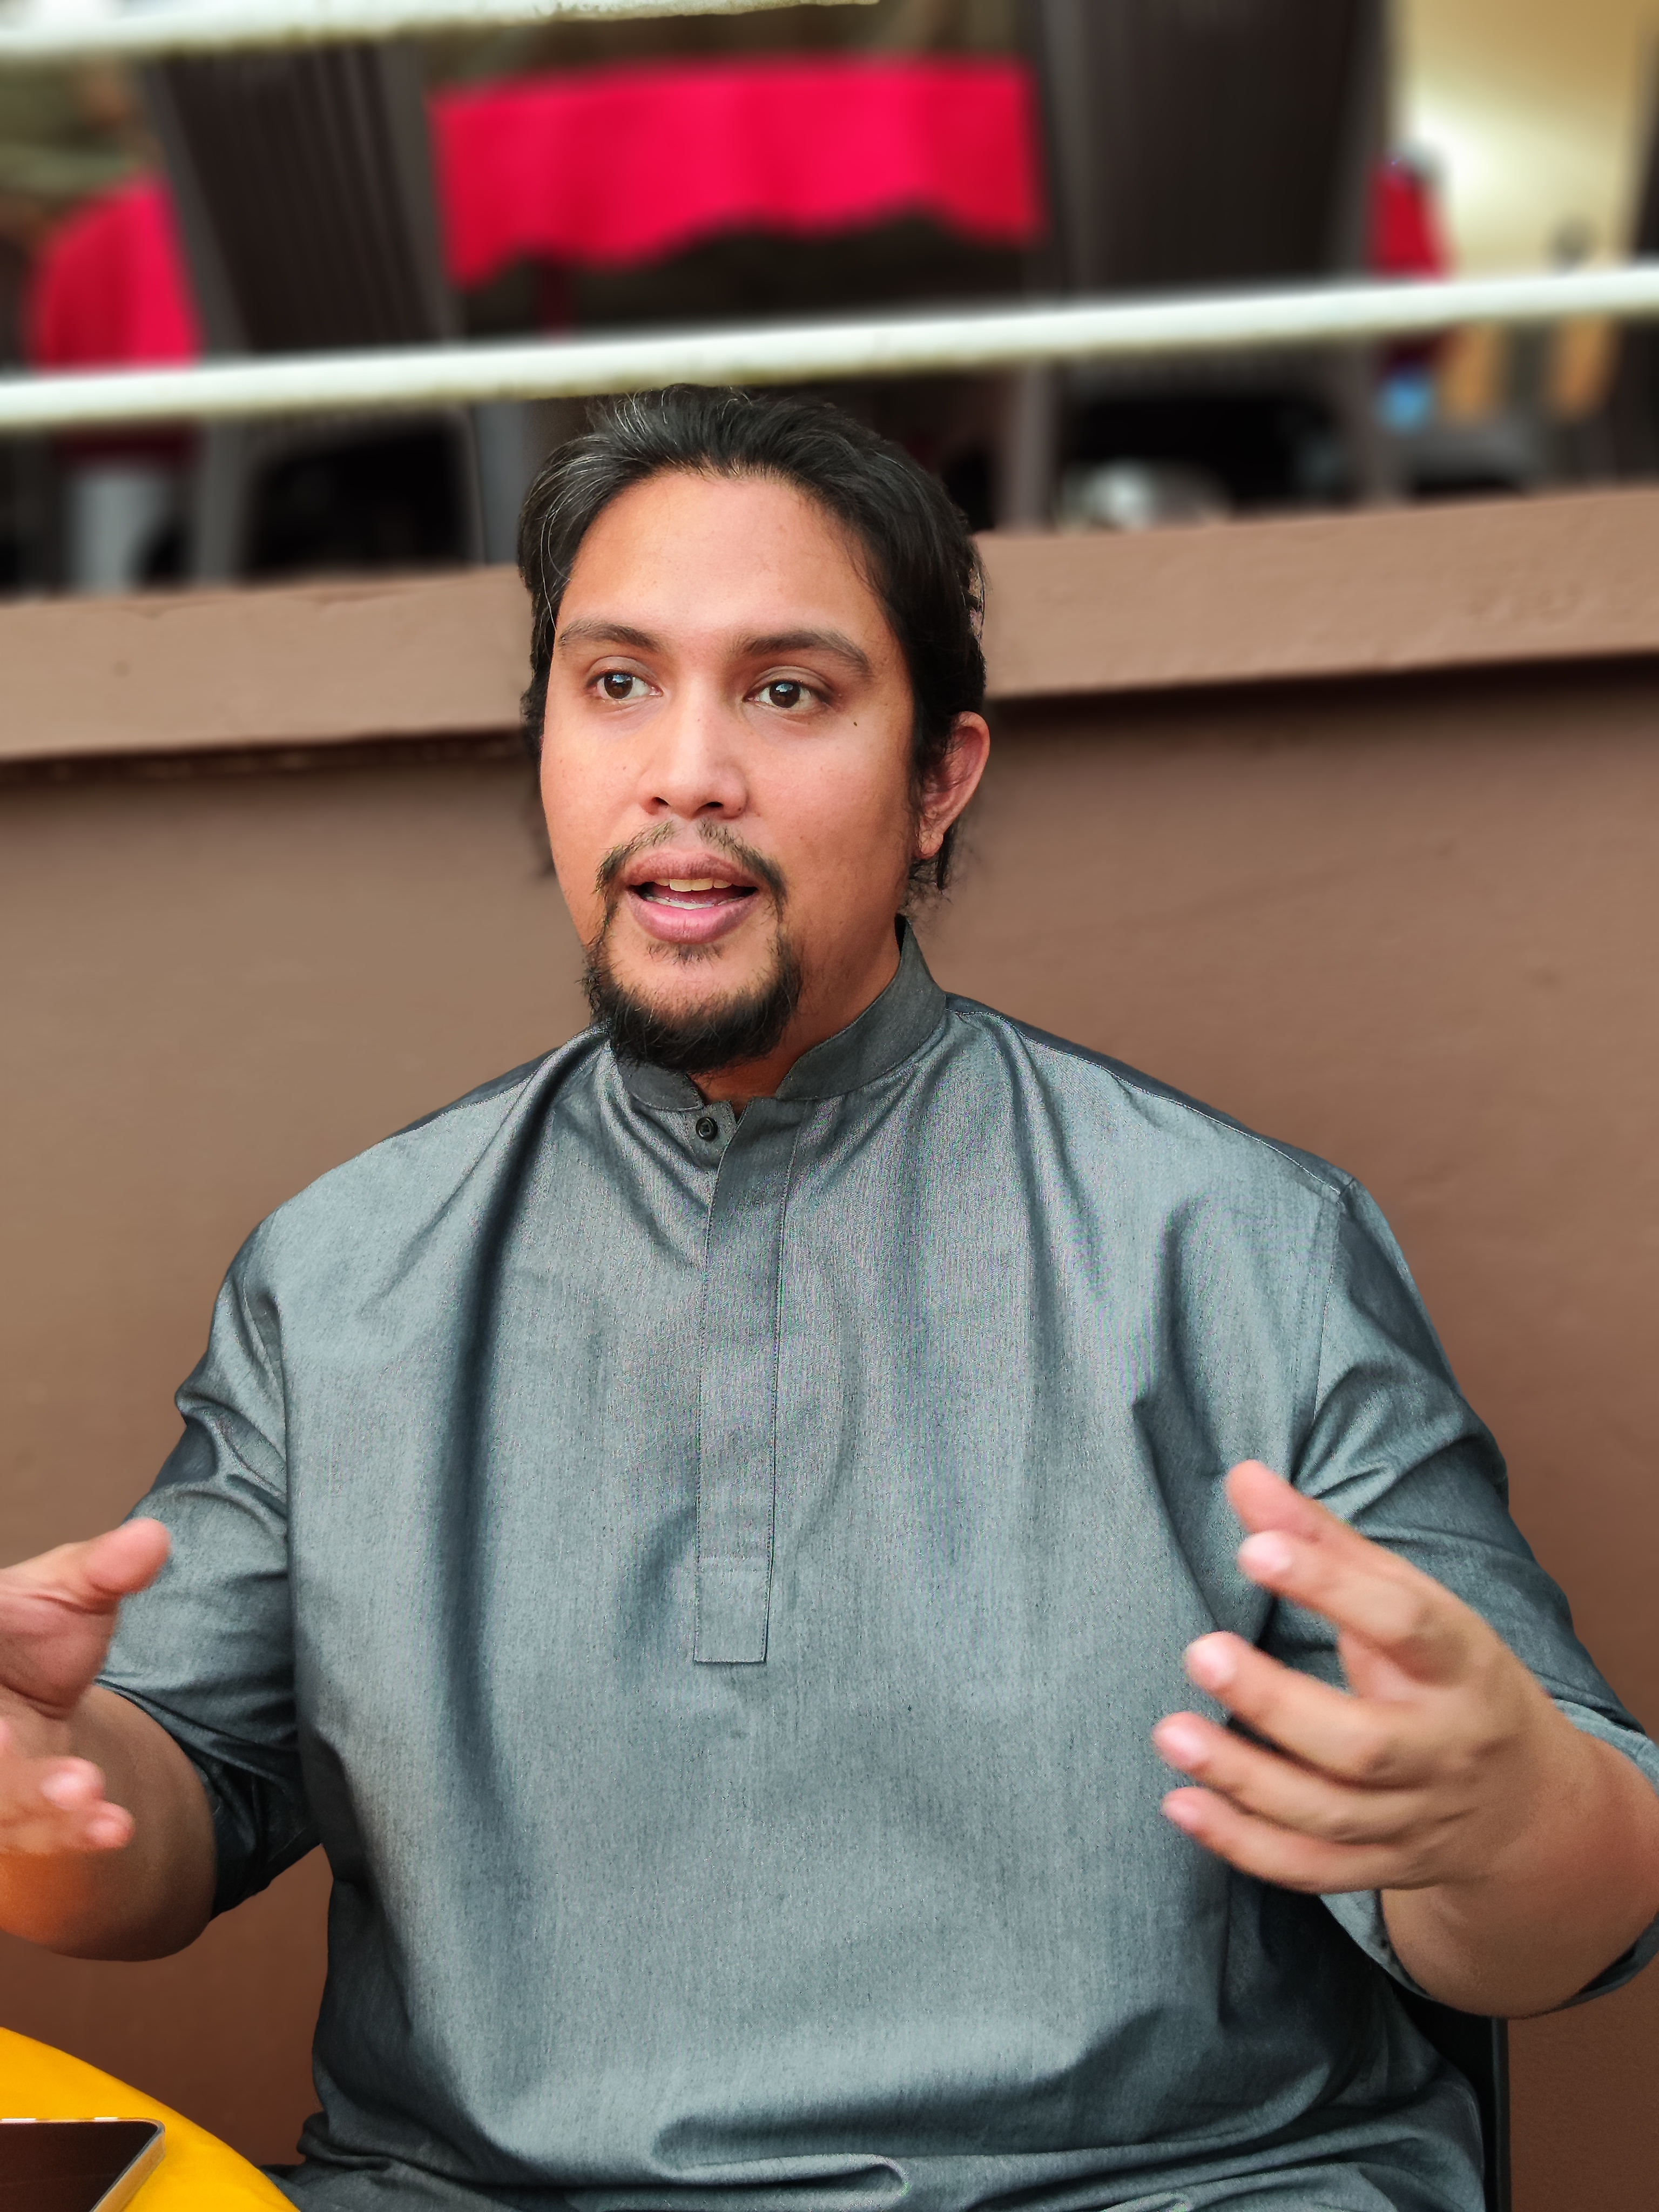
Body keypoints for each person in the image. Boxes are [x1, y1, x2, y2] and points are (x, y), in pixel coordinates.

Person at [2, 388, 1656, 2212]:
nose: (685, 771)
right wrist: (40, 1775)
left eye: (787, 691)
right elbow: (156, 1820)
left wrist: (1512, 1819)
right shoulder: (345, 1276)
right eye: (615, 684)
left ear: (940, 776)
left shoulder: (1239, 1244)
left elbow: (1562, 1906)